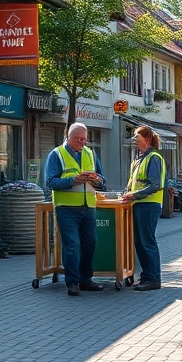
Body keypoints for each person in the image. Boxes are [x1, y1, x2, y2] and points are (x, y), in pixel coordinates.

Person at [45, 122, 107, 296]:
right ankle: (72, 282)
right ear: (69, 137)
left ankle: (86, 279)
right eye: (78, 139)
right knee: (72, 245)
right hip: (67, 208)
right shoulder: (57, 154)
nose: (82, 142)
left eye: (84, 139)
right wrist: (73, 180)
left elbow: (103, 179)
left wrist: (97, 180)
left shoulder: (90, 153)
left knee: (90, 244)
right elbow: (50, 182)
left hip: (88, 207)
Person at [122, 126, 166, 290]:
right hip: (140, 204)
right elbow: (133, 184)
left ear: (146, 139)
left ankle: (153, 279)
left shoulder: (153, 158)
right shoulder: (139, 159)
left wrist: (134, 195)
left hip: (148, 205)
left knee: (147, 241)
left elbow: (155, 185)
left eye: (137, 137)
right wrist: (127, 193)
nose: (134, 140)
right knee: (140, 242)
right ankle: (147, 277)